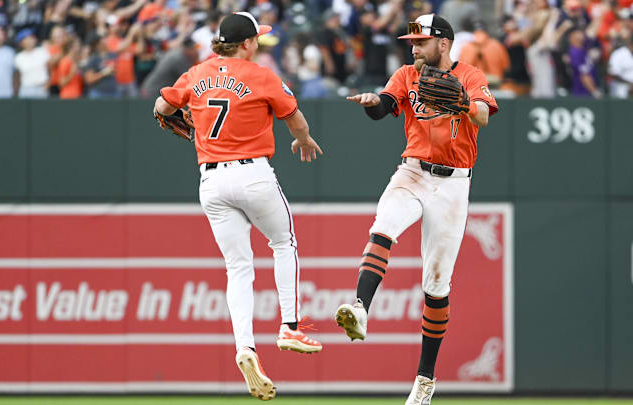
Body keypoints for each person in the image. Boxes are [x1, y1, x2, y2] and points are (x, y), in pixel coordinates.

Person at [154, 11, 324, 401]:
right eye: (256, 40)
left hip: (211, 180)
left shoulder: (196, 73)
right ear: (246, 43)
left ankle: (245, 348)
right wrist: (303, 139)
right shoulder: (260, 74)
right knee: (283, 244)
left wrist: (180, 118)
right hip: (253, 174)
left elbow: (162, 107)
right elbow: (295, 120)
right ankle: (290, 326)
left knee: (237, 266)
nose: (258, 45)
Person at [338, 14, 498, 405]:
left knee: (436, 284)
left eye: (420, 42)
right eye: (411, 42)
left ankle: (424, 380)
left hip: (454, 183)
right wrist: (372, 102)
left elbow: (482, 115)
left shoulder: (471, 75)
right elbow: (385, 105)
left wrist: (460, 100)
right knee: (384, 226)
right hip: (412, 170)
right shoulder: (408, 74)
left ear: (442, 44)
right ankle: (360, 307)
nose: (413, 48)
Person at [14, 28, 50, 98]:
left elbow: (50, 69)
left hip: (41, 87)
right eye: (26, 39)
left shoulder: (42, 51)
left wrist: (48, 83)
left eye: (31, 38)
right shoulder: (18, 57)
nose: (29, 41)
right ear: (21, 43)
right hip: (26, 89)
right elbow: (17, 76)